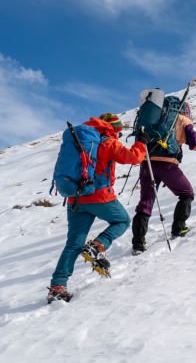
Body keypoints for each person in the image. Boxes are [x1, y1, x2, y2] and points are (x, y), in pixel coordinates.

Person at [48, 113, 146, 303]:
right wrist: (141, 142)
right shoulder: (108, 142)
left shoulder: (79, 140)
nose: (118, 134)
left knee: (73, 244)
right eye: (118, 131)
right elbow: (134, 158)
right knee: (122, 220)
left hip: (76, 198)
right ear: (112, 128)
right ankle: (97, 245)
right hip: (100, 197)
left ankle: (57, 286)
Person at [131, 102, 196, 253]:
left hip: (147, 163)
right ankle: (178, 228)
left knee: (146, 202)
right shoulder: (180, 119)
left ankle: (138, 243)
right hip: (167, 164)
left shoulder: (153, 119)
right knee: (187, 193)